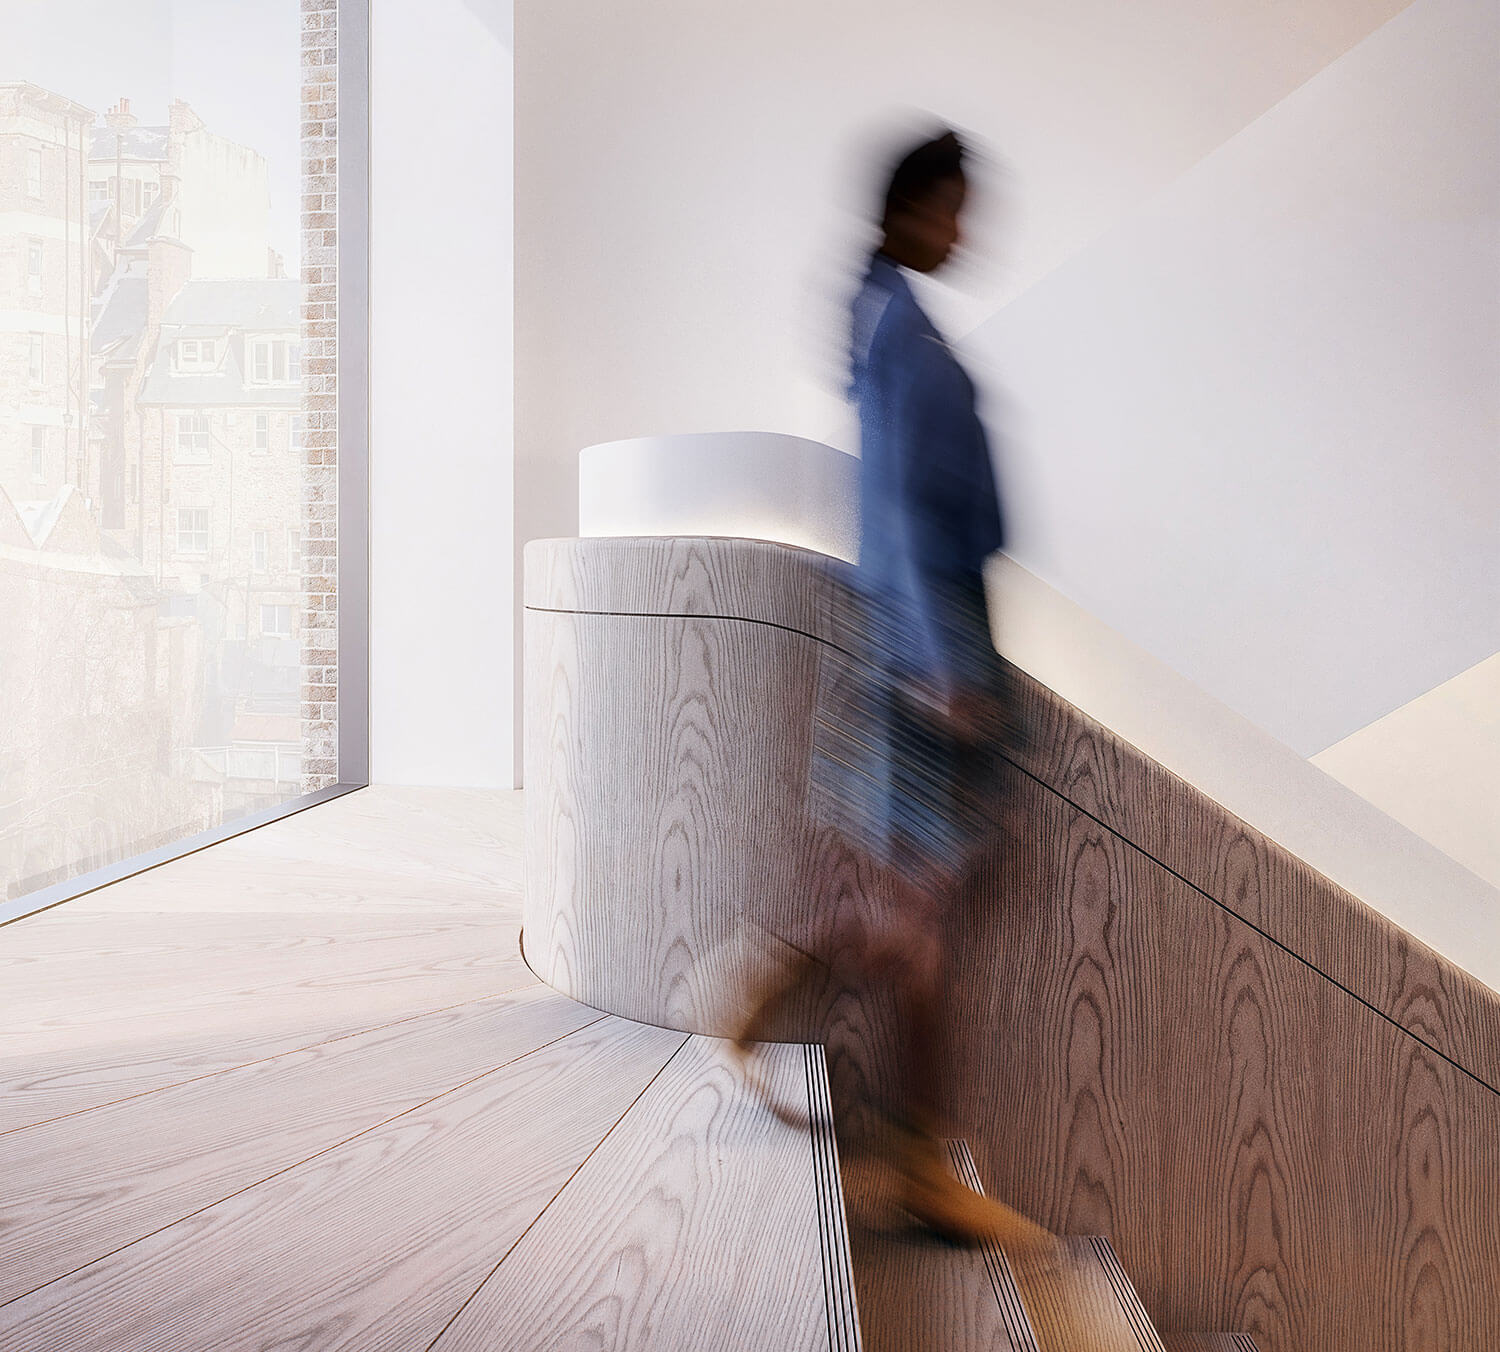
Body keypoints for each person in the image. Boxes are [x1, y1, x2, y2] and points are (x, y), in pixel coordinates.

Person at [741, 126, 1054, 1255]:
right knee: (928, 913)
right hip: (932, 640)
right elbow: (908, 517)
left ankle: (781, 978)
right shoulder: (908, 340)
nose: (968, 229)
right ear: (917, 206)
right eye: (957, 205)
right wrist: (941, 663)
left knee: (937, 891)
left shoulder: (879, 323)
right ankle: (924, 1162)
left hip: (915, 635)